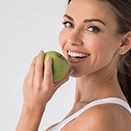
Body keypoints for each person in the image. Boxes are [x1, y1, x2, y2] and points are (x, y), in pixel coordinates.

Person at [16, 0, 131, 130]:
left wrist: (31, 108)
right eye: (69, 24)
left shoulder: (102, 117)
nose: (72, 39)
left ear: (124, 42)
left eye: (92, 28)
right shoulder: (90, 111)